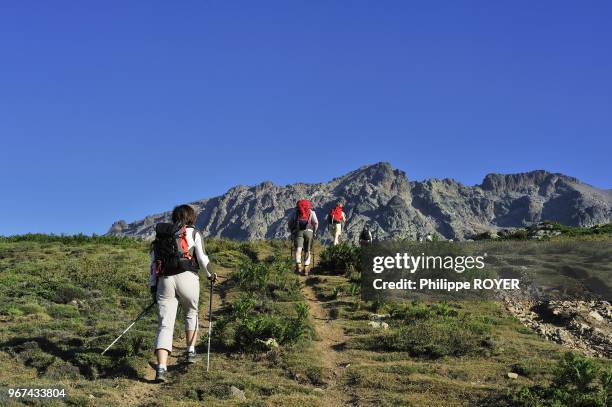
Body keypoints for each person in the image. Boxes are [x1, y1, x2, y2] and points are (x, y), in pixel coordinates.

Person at [149, 204, 216, 383]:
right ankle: (190, 351)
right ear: (191, 216)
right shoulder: (193, 232)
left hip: (164, 280)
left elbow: (153, 264)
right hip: (187, 276)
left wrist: (153, 287)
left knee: (165, 324)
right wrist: (211, 274)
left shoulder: (162, 236)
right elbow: (202, 258)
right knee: (191, 313)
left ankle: (161, 368)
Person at [288, 199, 318, 275]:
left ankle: (298, 266)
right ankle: (306, 268)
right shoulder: (311, 212)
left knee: (298, 249)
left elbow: (290, 222)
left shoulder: (295, 212)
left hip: (298, 231)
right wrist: (314, 232)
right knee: (307, 250)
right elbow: (316, 223)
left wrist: (292, 231)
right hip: (309, 232)